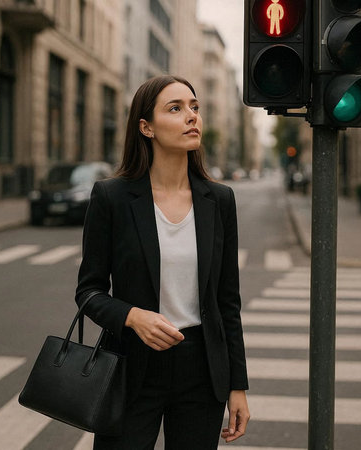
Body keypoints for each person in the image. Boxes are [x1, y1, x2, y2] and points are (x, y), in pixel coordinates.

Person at [75, 75, 250, 449]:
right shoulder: (113, 198)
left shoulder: (218, 200)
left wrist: (237, 385)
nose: (191, 117)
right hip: (132, 366)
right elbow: (88, 292)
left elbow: (227, 302)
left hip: (201, 369)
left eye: (194, 107)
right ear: (146, 127)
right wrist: (132, 316)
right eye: (176, 108)